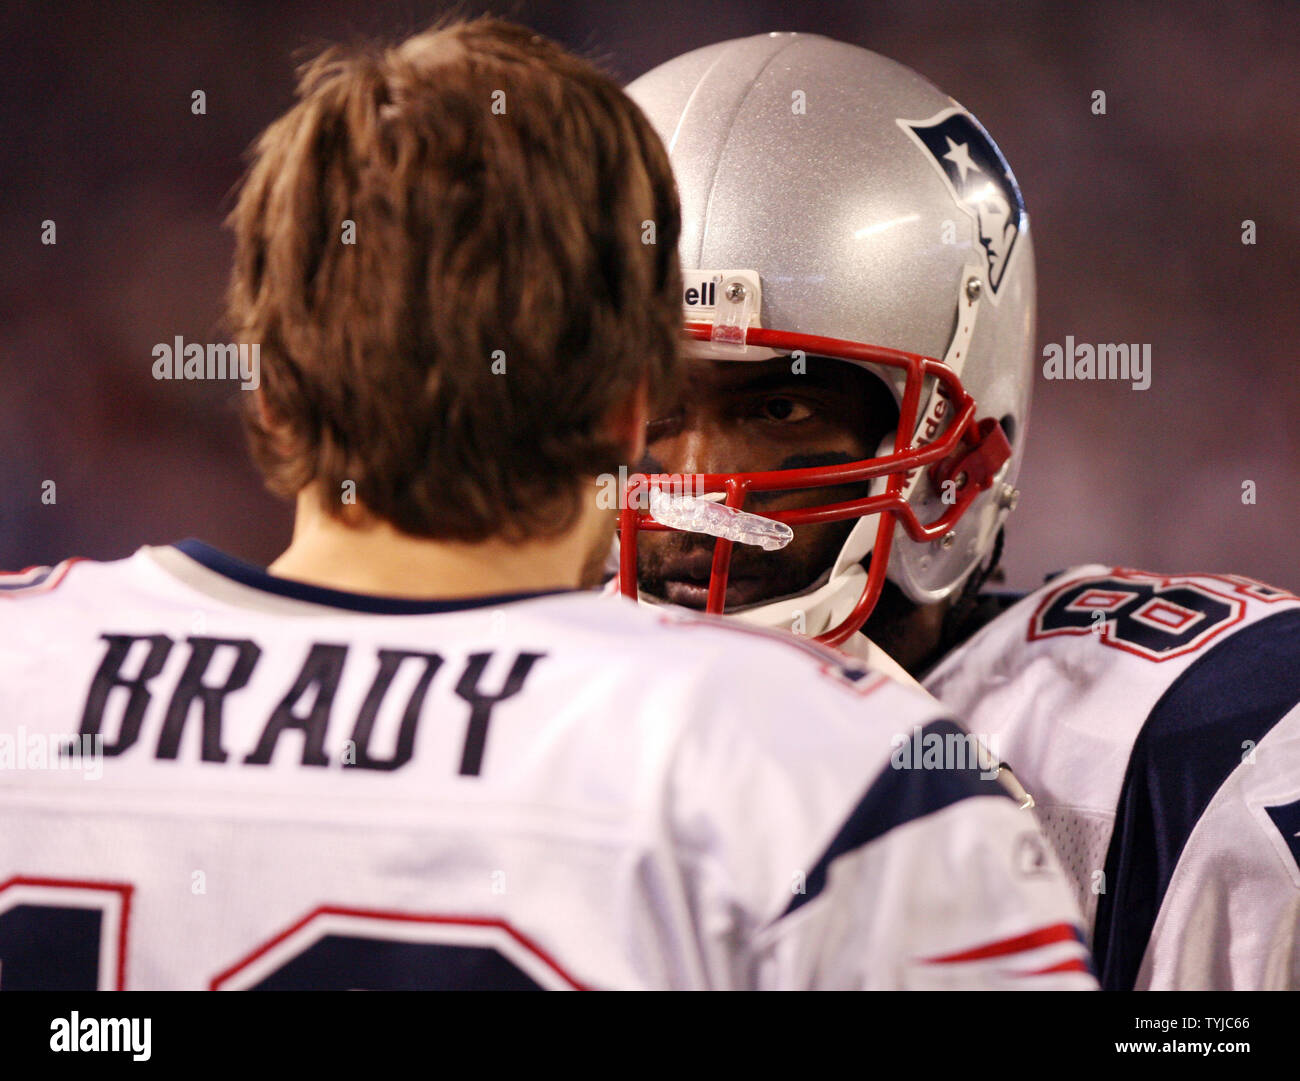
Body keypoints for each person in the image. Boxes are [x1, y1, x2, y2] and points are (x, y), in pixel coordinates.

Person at [0, 17, 1092, 991]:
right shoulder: (825, 768)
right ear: (625, 402)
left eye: (773, 406)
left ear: (269, 390)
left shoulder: (22, 673)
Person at [622, 31, 1300, 990]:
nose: (691, 492)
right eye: (646, 407)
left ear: (956, 453)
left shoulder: (1179, 756)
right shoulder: (515, 725)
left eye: (775, 408)